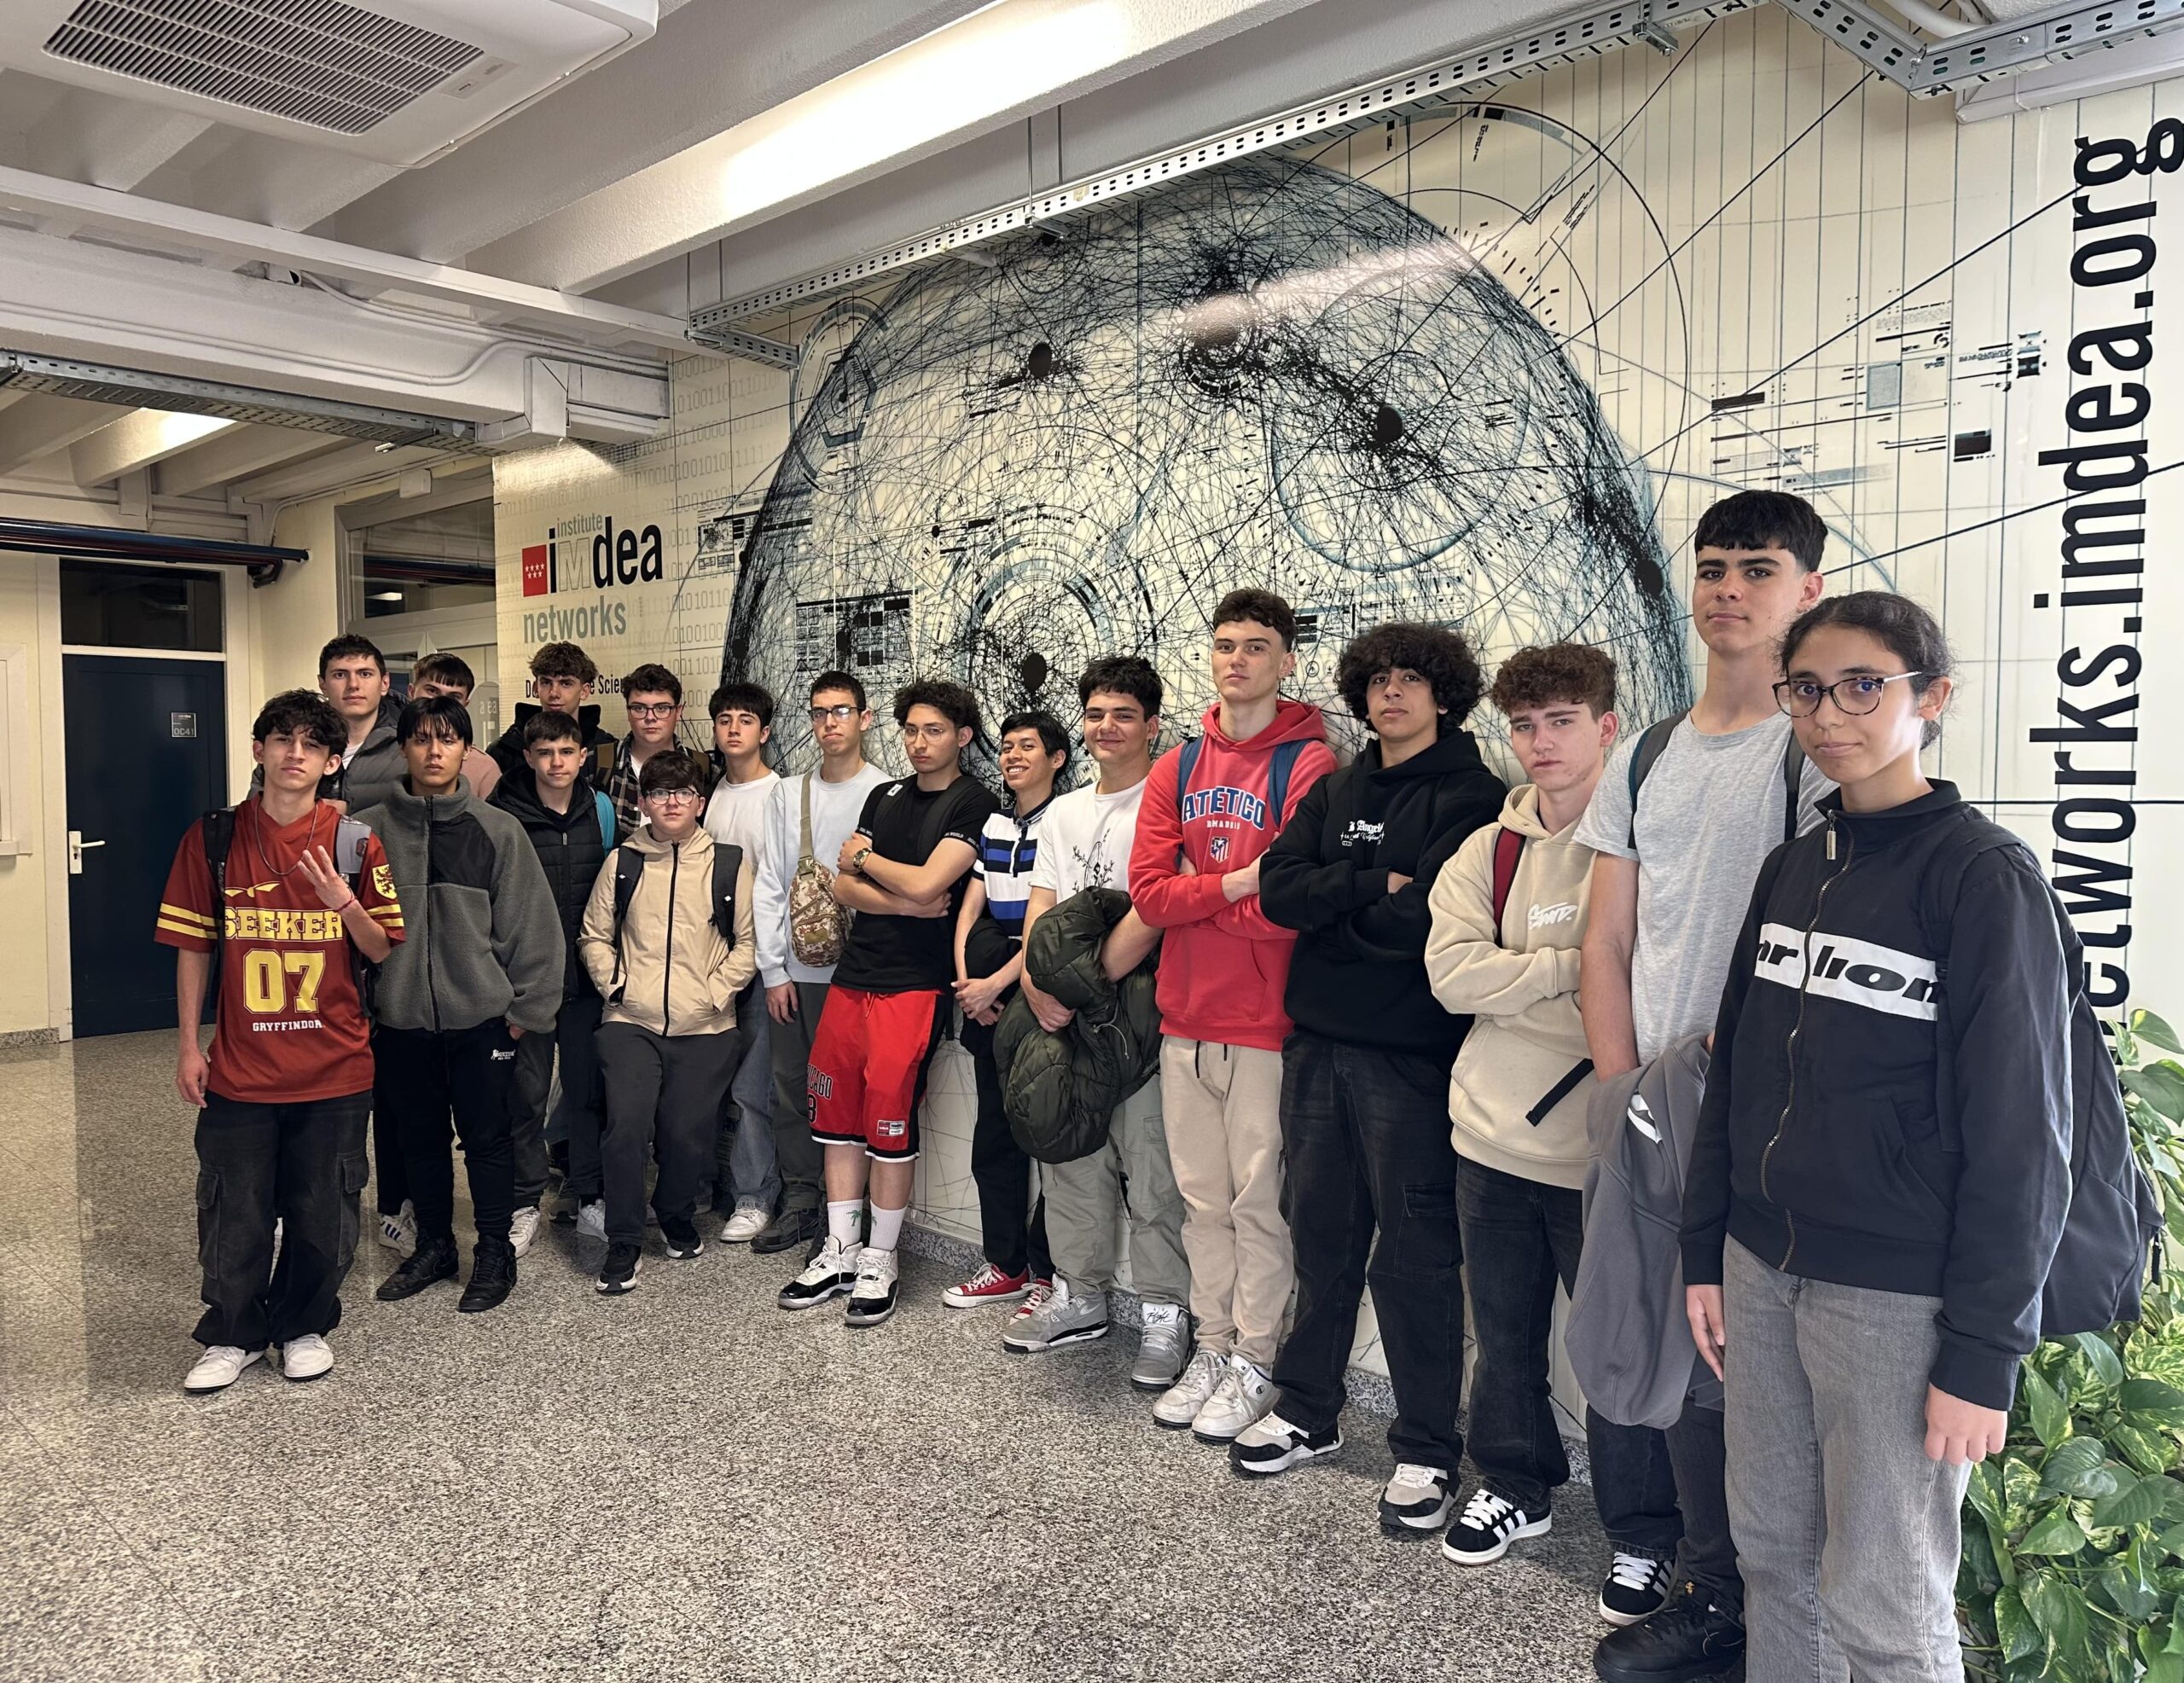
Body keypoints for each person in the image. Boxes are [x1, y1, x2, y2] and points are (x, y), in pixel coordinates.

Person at [1684, 592, 2070, 1683]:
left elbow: (2022, 1136)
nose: (1828, 714)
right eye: (1806, 689)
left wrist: (1983, 1351)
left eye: (1863, 686)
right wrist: (1705, 1247)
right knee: (1773, 1555)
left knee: (1887, 1597)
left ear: (1930, 697)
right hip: (1759, 1265)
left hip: (1895, 1295)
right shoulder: (1794, 864)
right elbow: (1737, 1073)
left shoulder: (1981, 877)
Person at [1576, 489, 1831, 1672]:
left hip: (1765, 1109)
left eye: (1758, 569)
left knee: (1752, 1366)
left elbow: (1825, 929)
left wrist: (1738, 1085)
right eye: (1715, 567)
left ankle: (1765, 1613)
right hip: (1652, 1106)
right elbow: (1606, 936)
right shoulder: (1648, 753)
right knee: (1674, 1353)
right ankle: (1709, 1589)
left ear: (1807, 590)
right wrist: (1621, 1088)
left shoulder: (1814, 746)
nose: (1729, 589)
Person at [1234, 622, 1505, 1512]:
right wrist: (1364, 887)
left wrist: (1337, 911)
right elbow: (1280, 887)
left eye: (1412, 679)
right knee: (1320, 1235)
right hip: (1317, 1045)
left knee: (1416, 1254)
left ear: (1444, 694)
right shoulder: (1339, 784)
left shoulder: (1472, 795)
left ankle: (1427, 1446)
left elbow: (1425, 919)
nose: (1392, 692)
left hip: (1410, 1059)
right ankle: (1307, 1409)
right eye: (1379, 679)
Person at [1421, 644, 1629, 1568]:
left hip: (1601, 1151)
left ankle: (1644, 1529)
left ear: (1606, 727)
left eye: (1562, 721)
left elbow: (1645, 983)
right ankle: (1513, 1483)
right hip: (1489, 1138)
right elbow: (1450, 977)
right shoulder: (1489, 849)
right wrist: (1574, 968)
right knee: (1502, 1339)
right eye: (1524, 725)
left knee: (1618, 1350)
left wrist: (1526, 980)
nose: (1540, 742)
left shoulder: (1639, 844)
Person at [1128, 589, 1336, 1441]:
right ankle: (1211, 1347)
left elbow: (1289, 907)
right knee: (1200, 1203)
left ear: (1286, 659)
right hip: (1185, 1019)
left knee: (1258, 1207)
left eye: (1255, 645)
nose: (1237, 659)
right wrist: (1237, 882)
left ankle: (1255, 1356)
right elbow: (1149, 894)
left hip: (1264, 1025)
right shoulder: (1177, 767)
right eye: (1224, 644)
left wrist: (1203, 892)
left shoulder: (1309, 763)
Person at [157, 689, 404, 1392]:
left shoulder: (355, 842)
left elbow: (381, 947)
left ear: (331, 763)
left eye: (312, 744)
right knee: (232, 1210)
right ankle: (232, 1333)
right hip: (242, 1069)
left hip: (335, 1067)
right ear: (259, 750)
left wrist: (343, 902)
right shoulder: (214, 838)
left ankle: (302, 1325)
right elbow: (193, 946)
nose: (296, 753)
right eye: (282, 739)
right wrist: (188, 1044)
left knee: (322, 1210)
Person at [778, 680, 997, 1327]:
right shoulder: (885, 795)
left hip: (915, 984)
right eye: (911, 730)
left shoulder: (974, 801)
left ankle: (881, 1256)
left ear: (962, 736)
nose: (919, 742)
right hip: (853, 974)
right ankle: (840, 1249)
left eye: (934, 730)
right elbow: (843, 887)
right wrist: (905, 900)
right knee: (837, 1117)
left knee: (889, 1121)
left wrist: (872, 861)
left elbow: (929, 882)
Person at [1002, 658, 1190, 1390]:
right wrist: (1035, 981)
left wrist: (1085, 985)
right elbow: (1040, 907)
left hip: (1136, 1012)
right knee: (1070, 1159)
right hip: (1064, 1012)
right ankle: (1079, 1294)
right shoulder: (1065, 811)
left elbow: (1157, 906)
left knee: (1152, 1169)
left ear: (1152, 725)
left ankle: (1166, 1312)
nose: (1106, 727)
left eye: (1123, 714)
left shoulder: (1168, 802)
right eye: (1096, 714)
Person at [360, 694, 563, 1314]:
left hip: (482, 1021)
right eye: (421, 739)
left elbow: (534, 930)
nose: (434, 751)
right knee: (418, 1139)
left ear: (465, 750)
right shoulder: (368, 831)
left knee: (487, 1140)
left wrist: (524, 1015)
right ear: (404, 748)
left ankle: (495, 1251)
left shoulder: (497, 830)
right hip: (400, 1020)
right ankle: (436, 1246)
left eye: (447, 739)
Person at [578, 749, 758, 1294]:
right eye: (659, 793)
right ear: (645, 803)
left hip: (706, 1027)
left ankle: (676, 1215)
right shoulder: (623, 862)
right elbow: (594, 935)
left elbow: (748, 943)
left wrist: (713, 994)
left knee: (686, 1135)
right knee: (626, 1129)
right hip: (629, 1021)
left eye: (682, 793)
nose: (672, 802)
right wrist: (617, 986)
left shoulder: (728, 863)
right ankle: (624, 1241)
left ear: (699, 802)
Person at [748, 673, 889, 1257]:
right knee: (793, 1088)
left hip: (864, 977)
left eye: (842, 711)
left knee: (855, 1092)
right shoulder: (789, 794)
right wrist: (773, 971)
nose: (830, 722)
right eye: (819, 712)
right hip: (798, 974)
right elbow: (770, 884)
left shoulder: (886, 792)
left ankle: (848, 1215)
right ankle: (802, 1200)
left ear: (865, 718)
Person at [943, 710, 1067, 1307]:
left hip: (1038, 987)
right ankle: (1005, 1263)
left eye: (1028, 746)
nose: (1013, 756)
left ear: (1057, 759)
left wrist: (994, 983)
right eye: (1008, 746)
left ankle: (1048, 1272)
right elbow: (969, 910)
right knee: (994, 1133)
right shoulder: (994, 824)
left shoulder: (1065, 820)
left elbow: (1049, 925)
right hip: (985, 991)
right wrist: (970, 985)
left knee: (1050, 1138)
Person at [489, 709, 616, 1254]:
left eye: (566, 752)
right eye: (545, 753)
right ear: (528, 757)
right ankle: (524, 1201)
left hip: (586, 981)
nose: (556, 763)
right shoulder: (502, 813)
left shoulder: (601, 810)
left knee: (588, 1094)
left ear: (583, 756)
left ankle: (589, 1195)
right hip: (527, 982)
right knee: (526, 1095)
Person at [701, 682, 783, 1242]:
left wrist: (771, 965)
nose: (734, 728)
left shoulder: (778, 795)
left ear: (765, 731)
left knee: (754, 1089)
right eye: (725, 719)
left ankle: (755, 1195)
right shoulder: (711, 793)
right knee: (704, 1083)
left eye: (745, 720)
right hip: (710, 961)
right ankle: (701, 1187)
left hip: (762, 962)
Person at [485, 641, 618, 787]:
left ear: (585, 691)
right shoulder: (504, 750)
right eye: (546, 682)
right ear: (535, 688)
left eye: (565, 684)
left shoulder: (606, 750)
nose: (554, 693)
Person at [316, 635, 405, 815]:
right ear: (323, 685)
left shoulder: (411, 740)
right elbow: (262, 803)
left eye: (365, 674)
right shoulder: (294, 738)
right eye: (340, 675)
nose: (353, 685)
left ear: (385, 683)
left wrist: (352, 809)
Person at [606, 663, 695, 834]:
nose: (650, 717)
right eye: (639, 708)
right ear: (628, 712)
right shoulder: (598, 764)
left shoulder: (702, 768)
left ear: (678, 712)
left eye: (661, 708)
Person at [410, 653, 501, 800]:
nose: (441, 702)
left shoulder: (483, 768)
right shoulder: (386, 754)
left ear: (465, 704)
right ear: (411, 692)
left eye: (454, 697)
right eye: (432, 691)